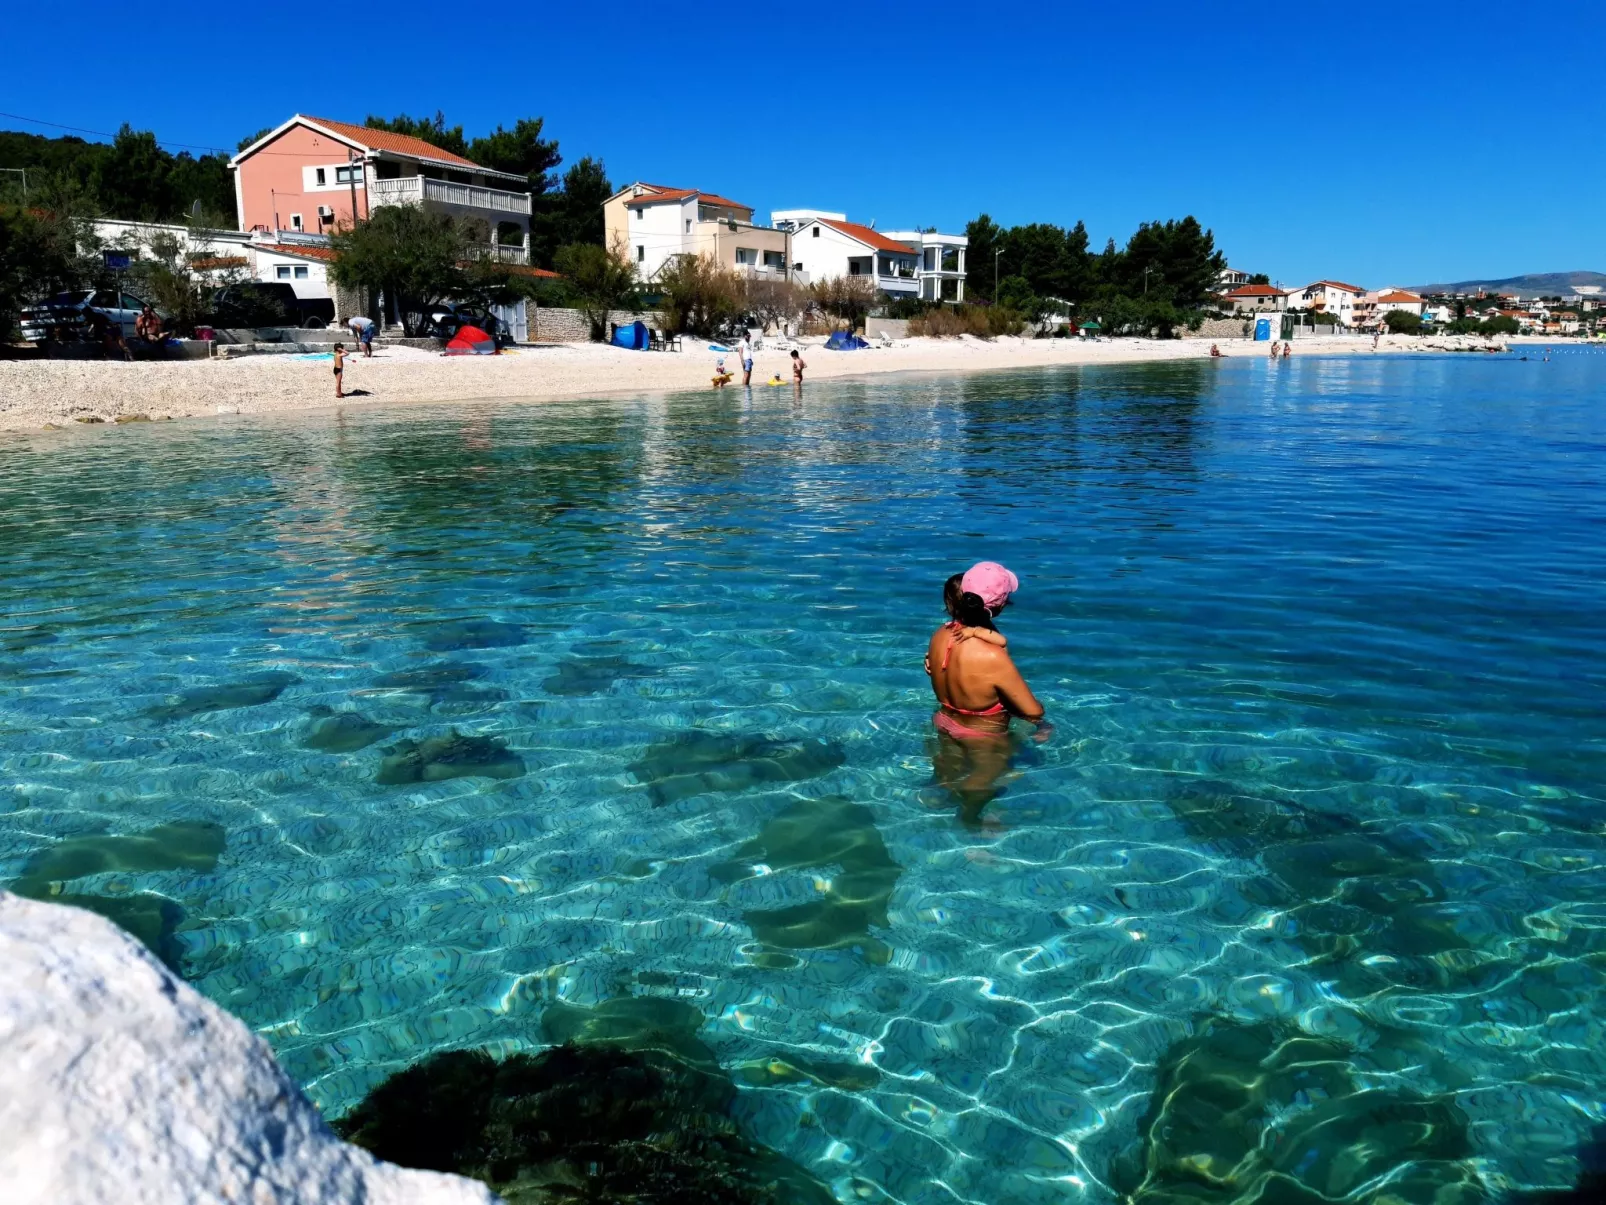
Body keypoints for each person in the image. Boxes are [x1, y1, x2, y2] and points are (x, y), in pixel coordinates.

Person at [924, 562, 1047, 820]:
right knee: (982, 782)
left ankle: (934, 809)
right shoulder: (992, 655)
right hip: (983, 734)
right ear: (1000, 606)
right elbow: (1033, 711)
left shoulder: (940, 635)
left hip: (944, 720)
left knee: (948, 775)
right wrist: (1042, 722)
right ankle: (969, 821)